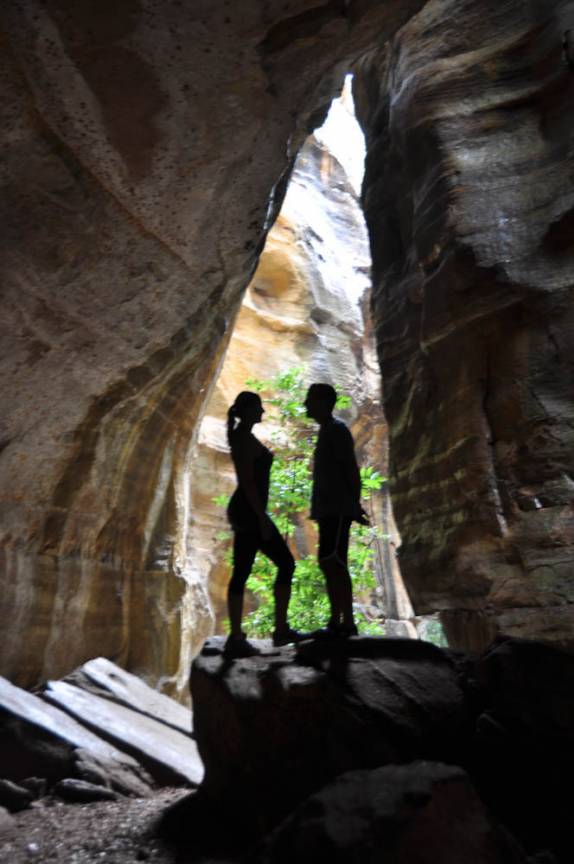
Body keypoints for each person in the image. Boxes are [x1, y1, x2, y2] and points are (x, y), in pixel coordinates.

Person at [225, 390, 300, 654]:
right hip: (248, 512)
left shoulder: (242, 436)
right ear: (246, 410)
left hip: (247, 511)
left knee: (247, 570)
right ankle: (273, 631)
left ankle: (248, 634)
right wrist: (261, 517)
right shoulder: (243, 439)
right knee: (283, 564)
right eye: (258, 407)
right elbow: (247, 482)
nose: (263, 412)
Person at [304, 383, 368, 637]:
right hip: (329, 508)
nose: (306, 405)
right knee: (328, 561)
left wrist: (354, 504)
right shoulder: (327, 430)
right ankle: (336, 620)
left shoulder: (337, 430)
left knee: (335, 561)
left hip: (338, 507)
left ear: (322, 402)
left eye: (310, 400)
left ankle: (347, 622)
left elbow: (350, 469)